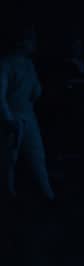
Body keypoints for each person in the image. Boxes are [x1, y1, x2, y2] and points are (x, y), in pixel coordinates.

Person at [1, 27, 54, 201]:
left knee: (37, 155)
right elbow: (1, 96)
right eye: (31, 40)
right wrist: (8, 118)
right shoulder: (6, 64)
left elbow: (36, 92)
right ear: (21, 42)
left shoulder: (29, 65)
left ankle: (48, 195)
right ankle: (9, 196)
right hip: (13, 118)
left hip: (27, 116)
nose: (34, 44)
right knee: (9, 160)